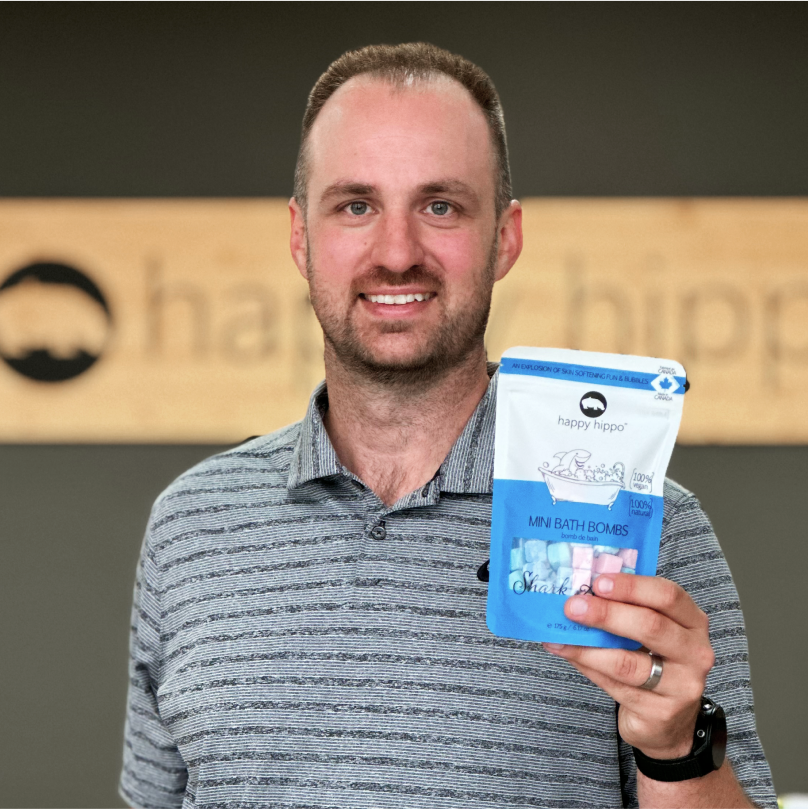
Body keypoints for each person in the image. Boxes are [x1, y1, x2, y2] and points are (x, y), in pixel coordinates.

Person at [120, 43, 777, 809]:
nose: (397, 253)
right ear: (301, 236)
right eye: (356, 205)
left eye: (441, 206)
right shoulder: (189, 525)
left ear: (506, 236)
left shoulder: (649, 528)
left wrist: (675, 752)